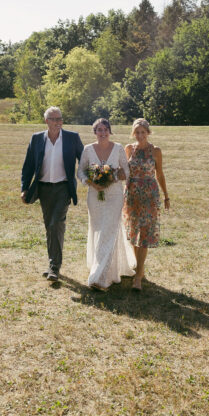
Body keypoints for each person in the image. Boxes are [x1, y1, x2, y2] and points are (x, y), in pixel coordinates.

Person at [20, 107, 84, 282]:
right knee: (49, 225)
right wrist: (24, 188)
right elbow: (28, 165)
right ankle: (52, 263)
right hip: (44, 189)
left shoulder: (72, 138)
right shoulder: (37, 139)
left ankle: (54, 267)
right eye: (53, 119)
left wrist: (95, 176)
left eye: (60, 118)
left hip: (63, 188)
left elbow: (84, 160)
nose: (57, 122)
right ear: (46, 121)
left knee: (56, 223)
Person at [77, 118, 135, 291]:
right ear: (95, 132)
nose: (103, 133)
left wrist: (112, 178)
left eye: (105, 129)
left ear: (110, 131)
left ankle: (99, 277)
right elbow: (80, 170)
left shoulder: (118, 148)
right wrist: (91, 182)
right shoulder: (88, 149)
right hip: (94, 195)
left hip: (114, 195)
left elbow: (126, 171)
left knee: (108, 231)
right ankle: (106, 267)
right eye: (99, 130)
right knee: (98, 230)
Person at [123, 118, 169, 291]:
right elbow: (125, 172)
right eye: (137, 132)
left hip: (149, 194)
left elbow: (160, 175)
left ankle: (138, 276)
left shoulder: (155, 151)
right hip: (132, 195)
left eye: (143, 132)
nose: (140, 135)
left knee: (144, 233)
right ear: (133, 133)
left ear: (148, 133)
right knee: (134, 232)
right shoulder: (128, 149)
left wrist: (166, 196)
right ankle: (139, 269)